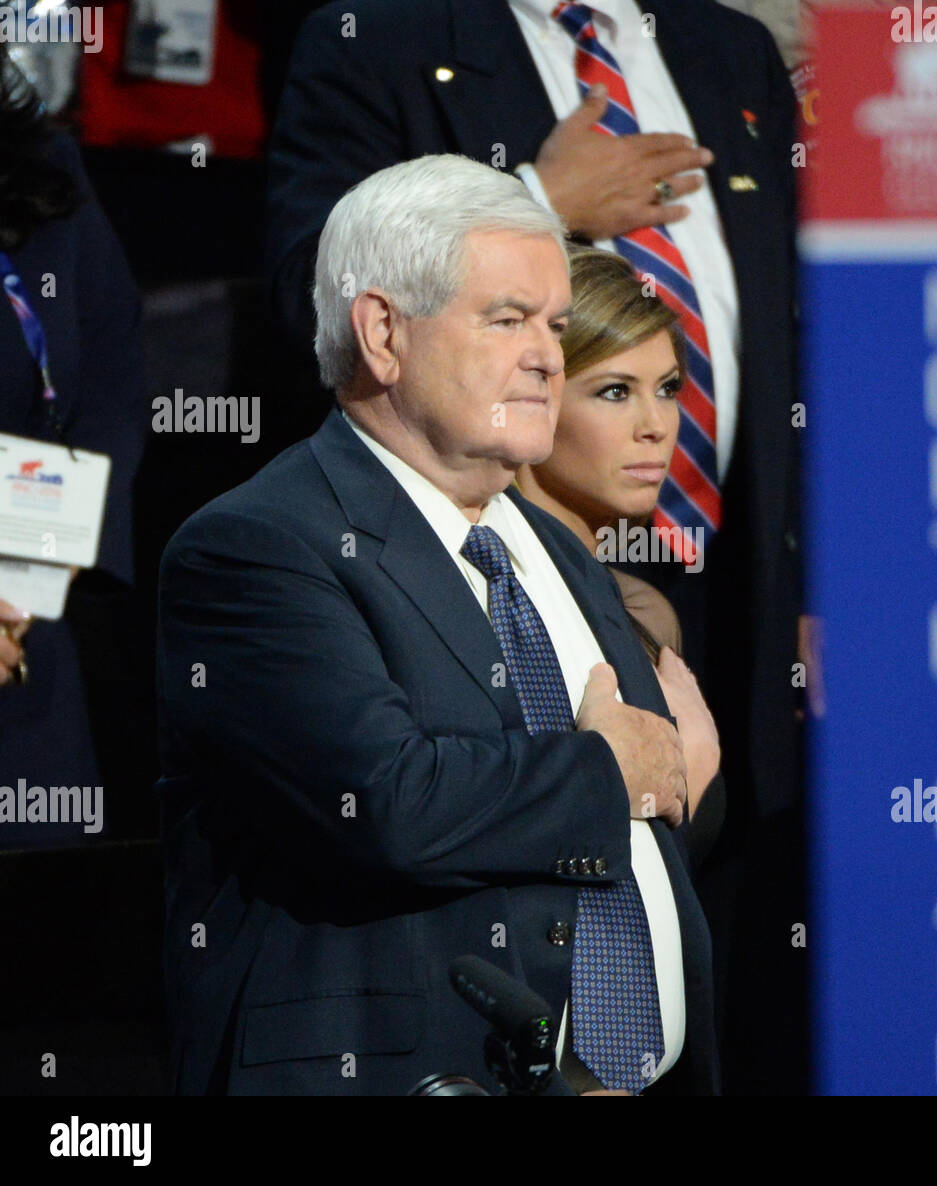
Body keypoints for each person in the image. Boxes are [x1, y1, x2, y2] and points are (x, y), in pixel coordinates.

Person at [265, 0, 808, 1093]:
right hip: (506, 545)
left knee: (725, 956)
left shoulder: (726, 45)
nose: (544, 359)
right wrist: (544, 203)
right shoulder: (383, 35)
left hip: (743, 592)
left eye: (554, 329)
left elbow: (803, 327)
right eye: (527, 325)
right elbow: (311, 288)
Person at [157, 154, 718, 1096]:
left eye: (555, 324)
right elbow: (387, 802)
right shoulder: (259, 547)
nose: (546, 353)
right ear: (383, 333)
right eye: (507, 320)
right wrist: (609, 769)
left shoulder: (556, 549)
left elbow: (642, 804)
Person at [515, 245, 724, 868]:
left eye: (666, 389)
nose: (657, 425)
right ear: (531, 396)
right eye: (614, 391)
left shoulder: (645, 611)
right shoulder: (489, 594)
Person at [0, 44, 148, 842]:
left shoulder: (39, 162)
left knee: (39, 945)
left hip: (24, 637)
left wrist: (28, 571)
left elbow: (110, 381)